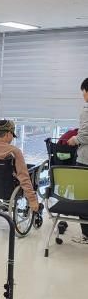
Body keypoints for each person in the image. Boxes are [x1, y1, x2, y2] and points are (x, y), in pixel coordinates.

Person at [0, 119, 39, 214]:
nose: (12, 138)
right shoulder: (14, 151)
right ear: (8, 134)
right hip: (6, 189)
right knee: (30, 174)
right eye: (12, 135)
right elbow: (23, 176)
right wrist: (32, 200)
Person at [67, 77, 88, 243]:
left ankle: (86, 235)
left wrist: (74, 139)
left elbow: (84, 136)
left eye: (84, 92)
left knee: (82, 197)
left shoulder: (86, 110)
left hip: (85, 160)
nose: (83, 96)